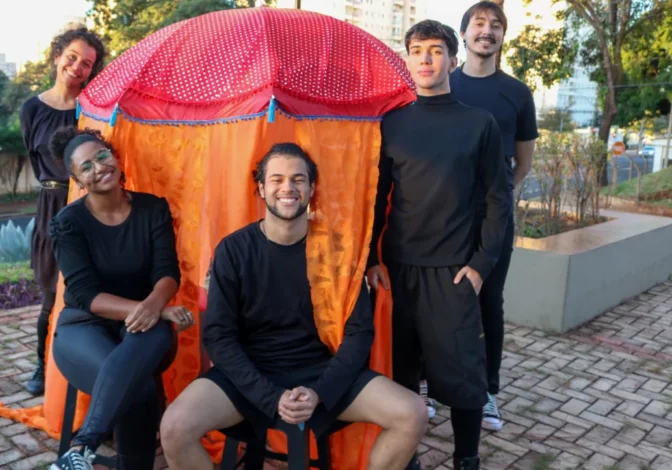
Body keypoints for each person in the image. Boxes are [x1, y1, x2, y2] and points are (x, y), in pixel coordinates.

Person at [160, 143, 428, 470]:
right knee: (174, 428)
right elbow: (218, 336)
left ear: (312, 188)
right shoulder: (233, 250)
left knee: (411, 413)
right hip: (251, 373)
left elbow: (359, 333)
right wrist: (270, 397)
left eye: (298, 179)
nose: (288, 187)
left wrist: (320, 392)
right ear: (261, 188)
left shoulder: (336, 252)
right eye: (277, 179)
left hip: (321, 371)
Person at [367, 21, 511, 470]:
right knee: (402, 373)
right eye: (416, 51)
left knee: (465, 378)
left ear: (453, 59)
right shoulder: (392, 124)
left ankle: (466, 459)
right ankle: (406, 457)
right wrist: (371, 258)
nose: (425, 59)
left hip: (454, 271)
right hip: (399, 269)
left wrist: (481, 265)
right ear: (407, 60)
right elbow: (377, 198)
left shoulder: (479, 124)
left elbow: (498, 201)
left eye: (435, 50)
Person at [46, 126, 194, 470]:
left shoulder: (152, 209)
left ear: (115, 157)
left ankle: (81, 448)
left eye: (102, 156)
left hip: (144, 327)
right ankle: (90, 449)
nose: (99, 168)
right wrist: (154, 309)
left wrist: (154, 307)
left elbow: (167, 272)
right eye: (86, 167)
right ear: (77, 181)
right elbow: (84, 294)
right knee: (138, 387)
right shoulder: (68, 222)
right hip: (84, 326)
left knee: (141, 360)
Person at [449, 1, 539, 431]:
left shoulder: (518, 93)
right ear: (464, 34)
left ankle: (487, 390)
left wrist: (499, 198)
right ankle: (426, 381)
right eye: (479, 23)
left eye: (496, 25)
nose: (487, 31)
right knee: (437, 297)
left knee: (489, 300)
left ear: (503, 36)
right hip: (444, 215)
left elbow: (523, 163)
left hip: (493, 218)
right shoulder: (443, 84)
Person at [20, 26, 106, 397]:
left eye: (86, 63)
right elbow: (36, 159)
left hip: (87, 203)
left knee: (88, 291)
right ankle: (43, 366)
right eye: (72, 57)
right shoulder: (32, 108)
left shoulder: (93, 107)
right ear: (57, 57)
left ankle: (87, 368)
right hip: (50, 207)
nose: (77, 67)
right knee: (50, 294)